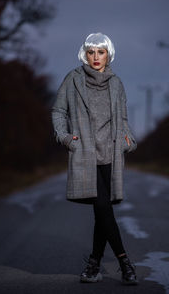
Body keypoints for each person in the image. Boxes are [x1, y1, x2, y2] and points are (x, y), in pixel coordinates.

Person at [51, 32, 138, 285]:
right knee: (102, 207)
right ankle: (125, 263)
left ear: (108, 54)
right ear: (85, 54)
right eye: (91, 52)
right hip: (85, 152)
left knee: (103, 211)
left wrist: (128, 140)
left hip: (110, 152)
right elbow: (58, 110)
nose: (96, 57)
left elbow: (122, 119)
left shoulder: (116, 83)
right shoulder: (73, 79)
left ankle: (93, 266)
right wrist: (65, 137)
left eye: (101, 52)